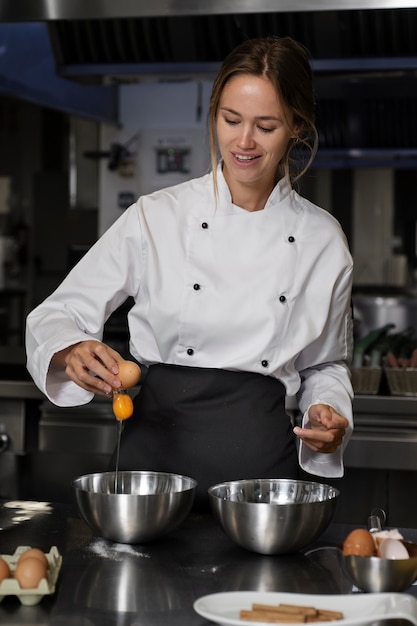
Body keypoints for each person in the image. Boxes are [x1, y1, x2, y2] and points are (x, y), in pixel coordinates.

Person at [26, 36, 353, 509]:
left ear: (296, 127)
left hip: (258, 486)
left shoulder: (324, 240)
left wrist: (329, 411)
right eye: (230, 119)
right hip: (151, 477)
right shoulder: (156, 216)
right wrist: (70, 349)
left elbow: (325, 364)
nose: (243, 142)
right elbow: (57, 312)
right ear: (214, 114)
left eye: (266, 126)